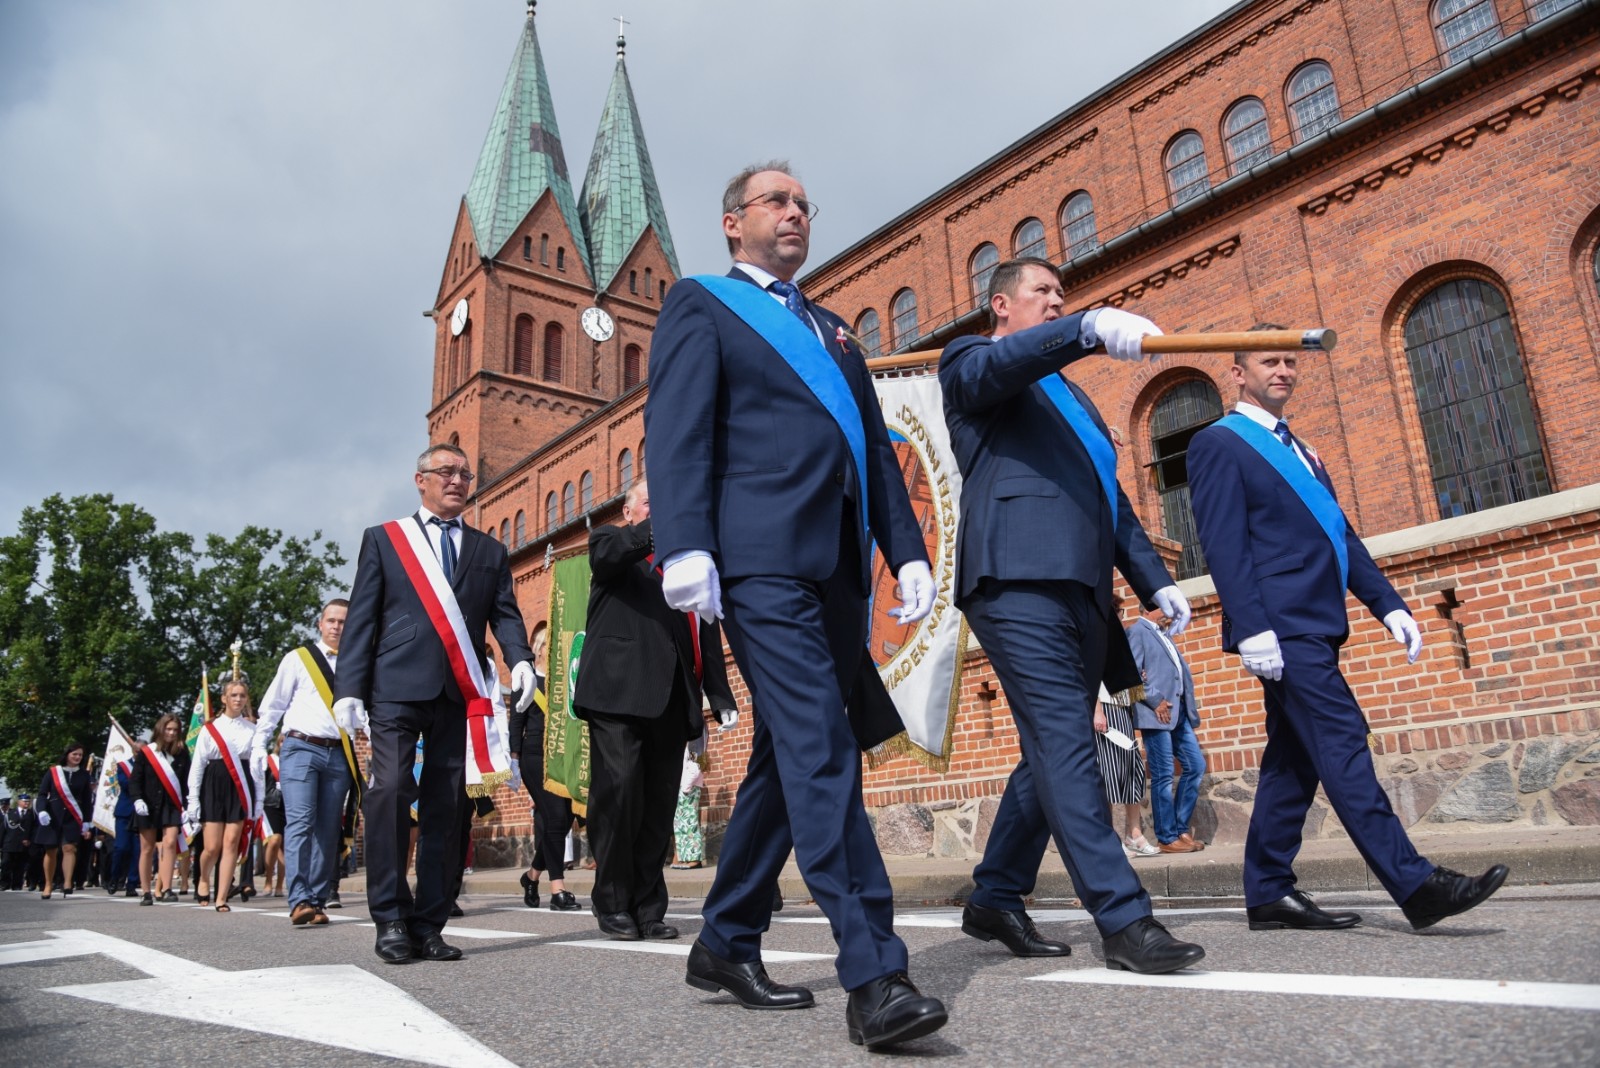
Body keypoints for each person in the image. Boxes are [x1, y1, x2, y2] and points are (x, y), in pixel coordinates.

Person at [646, 161, 945, 1050]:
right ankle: (876, 975)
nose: (795, 213)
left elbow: (873, 449)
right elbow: (676, 427)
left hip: (838, 569)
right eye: (776, 201)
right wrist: (685, 543)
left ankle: (726, 936)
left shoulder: (832, 329)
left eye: (804, 204)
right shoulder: (703, 303)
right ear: (732, 222)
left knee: (789, 756)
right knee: (821, 745)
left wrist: (907, 550)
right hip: (760, 562)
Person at [938, 257, 1205, 974]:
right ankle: (1125, 919)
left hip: (1086, 591)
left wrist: (1154, 581)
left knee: (1051, 749)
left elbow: (1109, 499)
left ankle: (995, 895)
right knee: (1065, 739)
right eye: (1043, 292)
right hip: (1016, 578)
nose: (1058, 300)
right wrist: (1084, 329)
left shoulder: (1077, 402)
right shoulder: (972, 358)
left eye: (1065, 294)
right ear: (1001, 304)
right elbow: (992, 373)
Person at [1185, 345, 1509, 932]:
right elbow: (1223, 542)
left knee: (1293, 758)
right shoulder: (1219, 442)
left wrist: (1388, 605)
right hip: (1281, 626)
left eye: (1290, 362)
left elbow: (1341, 535)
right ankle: (1416, 884)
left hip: (1317, 619)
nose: (1283, 371)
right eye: (1268, 362)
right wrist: (1252, 627)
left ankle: (1268, 891)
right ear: (1238, 373)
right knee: (1341, 738)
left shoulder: (1302, 449)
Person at [335, 442, 536, 965]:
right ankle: (390, 917)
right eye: (446, 471)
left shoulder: (489, 550)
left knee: (448, 807)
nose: (457, 481)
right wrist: (348, 687)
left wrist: (520, 659)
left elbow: (505, 614)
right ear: (419, 479)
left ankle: (430, 922)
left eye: (465, 474)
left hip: (458, 693)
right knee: (390, 792)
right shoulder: (385, 539)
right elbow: (363, 616)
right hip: (395, 686)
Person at [577, 479, 737, 941]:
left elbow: (706, 626)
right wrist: (665, 520)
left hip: (670, 698)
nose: (659, 508)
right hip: (617, 693)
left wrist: (718, 693)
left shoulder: (686, 563)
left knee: (657, 807)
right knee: (620, 794)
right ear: (629, 512)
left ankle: (648, 908)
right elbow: (607, 558)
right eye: (650, 502)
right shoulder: (610, 539)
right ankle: (612, 901)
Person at [250, 598, 357, 927]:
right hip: (300, 748)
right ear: (320, 624)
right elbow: (273, 704)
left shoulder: (357, 662)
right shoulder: (299, 658)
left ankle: (317, 900)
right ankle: (299, 899)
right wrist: (259, 743)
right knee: (300, 821)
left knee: (328, 829)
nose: (336, 626)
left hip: (339, 752)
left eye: (343, 621)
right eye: (331, 620)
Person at [508, 625, 580, 912]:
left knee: (564, 818)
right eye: (549, 645)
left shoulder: (562, 682)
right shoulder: (527, 678)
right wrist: (514, 759)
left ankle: (531, 876)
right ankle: (557, 889)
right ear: (538, 649)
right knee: (555, 817)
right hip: (534, 756)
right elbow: (516, 722)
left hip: (561, 757)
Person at [1127, 605, 1207, 854]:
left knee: (1196, 765)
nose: (1171, 612)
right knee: (1163, 774)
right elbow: (1130, 675)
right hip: (1156, 714)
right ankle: (1167, 837)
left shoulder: (1164, 633)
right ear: (1147, 607)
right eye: (1165, 606)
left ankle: (1180, 830)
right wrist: (1155, 701)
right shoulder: (1137, 631)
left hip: (1178, 714)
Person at [186, 679, 260, 912]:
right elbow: (198, 765)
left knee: (231, 843)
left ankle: (221, 897)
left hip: (240, 786)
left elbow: (257, 768)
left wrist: (258, 801)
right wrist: (193, 799)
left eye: (242, 695)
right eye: (234, 695)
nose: (238, 699)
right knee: (212, 847)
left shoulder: (252, 730)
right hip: (214, 783)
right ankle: (203, 878)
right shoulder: (210, 728)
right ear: (224, 698)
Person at [1090, 685, 1157, 860]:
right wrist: (1097, 710)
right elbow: (1089, 676)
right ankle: (1110, 840)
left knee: (1130, 770)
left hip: (1122, 707)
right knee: (1108, 773)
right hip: (1104, 708)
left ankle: (1135, 835)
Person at [35, 743, 94, 899]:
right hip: (53, 816)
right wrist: (41, 810)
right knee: (51, 850)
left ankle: (67, 883)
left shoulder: (84, 775)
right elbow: (42, 794)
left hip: (73, 816)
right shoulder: (53, 772)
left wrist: (87, 821)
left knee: (69, 848)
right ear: (67, 754)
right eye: (75, 754)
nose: (77, 757)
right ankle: (48, 884)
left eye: (80, 755)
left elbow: (87, 800)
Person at [108, 757, 141, 895]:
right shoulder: (124, 765)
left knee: (137, 850)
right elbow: (125, 784)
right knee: (121, 847)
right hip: (125, 812)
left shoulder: (151, 764)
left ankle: (132, 884)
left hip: (141, 814)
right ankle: (114, 878)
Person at [672, 743, 706, 869]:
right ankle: (686, 858)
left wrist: (685, 788)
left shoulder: (691, 744)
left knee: (690, 823)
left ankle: (695, 859)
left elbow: (695, 766)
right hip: (686, 787)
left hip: (688, 788)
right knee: (682, 824)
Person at [2, 796, 31, 891]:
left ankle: (17, 884)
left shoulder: (30, 814)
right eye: (25, 801)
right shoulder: (10, 813)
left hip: (23, 845)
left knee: (19, 866)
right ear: (19, 802)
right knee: (6, 864)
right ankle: (4, 883)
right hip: (9, 843)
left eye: (28, 801)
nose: (27, 803)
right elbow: (3, 829)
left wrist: (29, 840)